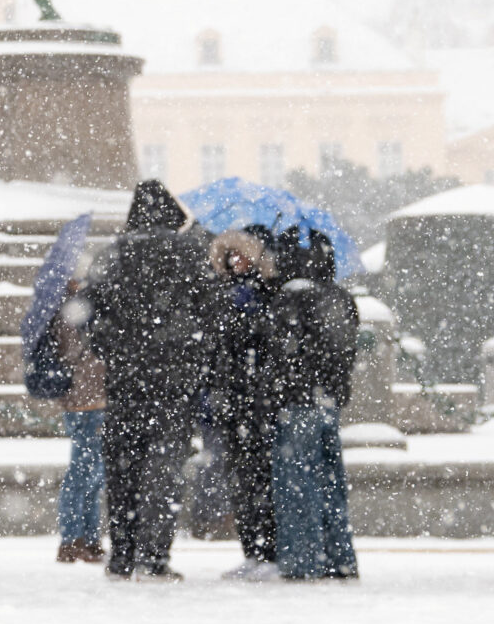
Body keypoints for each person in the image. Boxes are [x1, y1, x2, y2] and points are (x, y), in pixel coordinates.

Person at [86, 179, 219, 582]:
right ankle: (154, 555)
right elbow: (211, 315)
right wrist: (192, 358)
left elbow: (93, 320)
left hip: (126, 383)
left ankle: (123, 553)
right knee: (164, 468)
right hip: (174, 383)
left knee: (123, 469)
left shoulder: (112, 255)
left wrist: (117, 351)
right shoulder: (191, 254)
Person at [269, 232, 362, 581]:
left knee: (296, 485)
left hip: (297, 402)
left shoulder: (292, 298)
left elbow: (281, 355)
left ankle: (303, 560)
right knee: (330, 484)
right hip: (329, 401)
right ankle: (340, 557)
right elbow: (345, 351)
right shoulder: (340, 297)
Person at [208, 228, 282, 581]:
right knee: (240, 480)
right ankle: (252, 549)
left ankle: (268, 550)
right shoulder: (221, 293)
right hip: (233, 400)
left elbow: (269, 344)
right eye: (231, 255)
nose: (236, 262)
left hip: (258, 403)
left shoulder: (268, 294)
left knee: (260, 478)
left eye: (242, 255)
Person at [51, 275, 109, 564]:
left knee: (93, 472)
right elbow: (71, 352)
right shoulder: (67, 308)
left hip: (94, 396)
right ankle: (73, 537)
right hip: (82, 398)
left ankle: (88, 536)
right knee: (82, 471)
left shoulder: (82, 305)